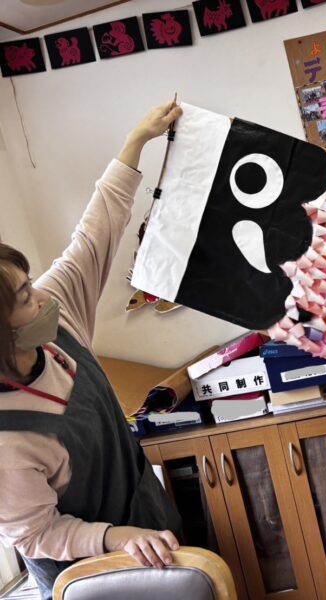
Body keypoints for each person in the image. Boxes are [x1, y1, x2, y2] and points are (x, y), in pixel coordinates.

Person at [0, 100, 184, 599]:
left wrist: (135, 142)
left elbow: (94, 235)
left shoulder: (57, 324)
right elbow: (35, 534)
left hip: (149, 525)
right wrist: (115, 538)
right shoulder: (6, 441)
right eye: (25, 298)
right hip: (85, 577)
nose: (42, 296)